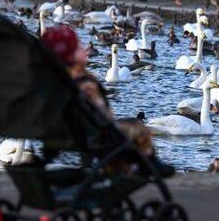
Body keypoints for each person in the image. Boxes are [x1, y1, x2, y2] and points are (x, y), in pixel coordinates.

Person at [41, 26, 172, 176]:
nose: (83, 49)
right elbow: (101, 114)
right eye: (77, 47)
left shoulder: (48, 79)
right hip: (87, 135)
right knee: (136, 127)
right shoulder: (82, 82)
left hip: (55, 136)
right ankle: (149, 162)